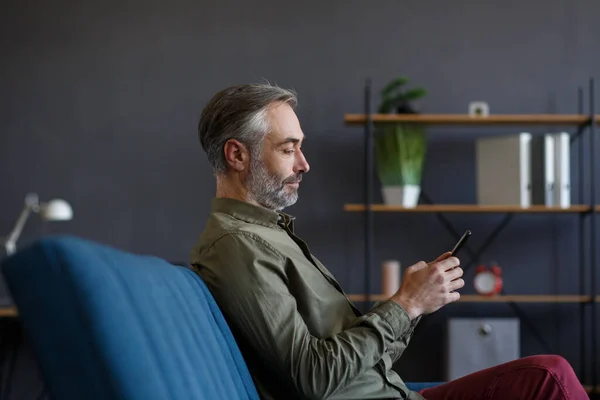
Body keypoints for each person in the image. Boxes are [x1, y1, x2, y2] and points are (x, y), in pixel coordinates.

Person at [189, 83, 589, 400]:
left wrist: (413, 308)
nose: (303, 163)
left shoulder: (271, 234)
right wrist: (405, 304)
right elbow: (312, 378)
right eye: (287, 148)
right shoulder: (236, 246)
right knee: (547, 379)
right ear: (237, 155)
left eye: (301, 146)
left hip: (393, 391)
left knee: (547, 376)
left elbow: (361, 363)